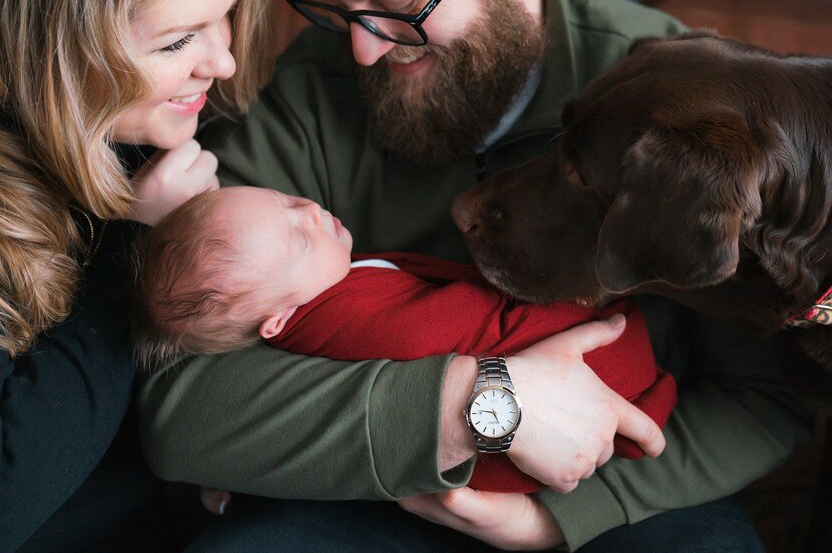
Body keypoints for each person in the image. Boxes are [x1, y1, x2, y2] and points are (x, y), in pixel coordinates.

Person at [137, 0, 812, 553]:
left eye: (396, 6)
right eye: (335, 1)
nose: (359, 51)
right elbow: (179, 407)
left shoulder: (677, 104)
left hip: (618, 495)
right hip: (374, 489)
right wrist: (474, 404)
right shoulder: (317, 85)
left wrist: (551, 521)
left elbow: (766, 398)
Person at [0, 0, 277, 552]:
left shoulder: (153, 128)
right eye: (178, 39)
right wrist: (135, 246)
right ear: (48, 49)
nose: (219, 61)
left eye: (223, 16)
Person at [132, 184, 678, 494]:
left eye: (286, 201)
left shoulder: (322, 281)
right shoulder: (340, 316)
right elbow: (437, 326)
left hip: (545, 405)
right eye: (299, 238)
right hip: (536, 389)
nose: (312, 212)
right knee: (620, 352)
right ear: (278, 319)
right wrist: (546, 307)